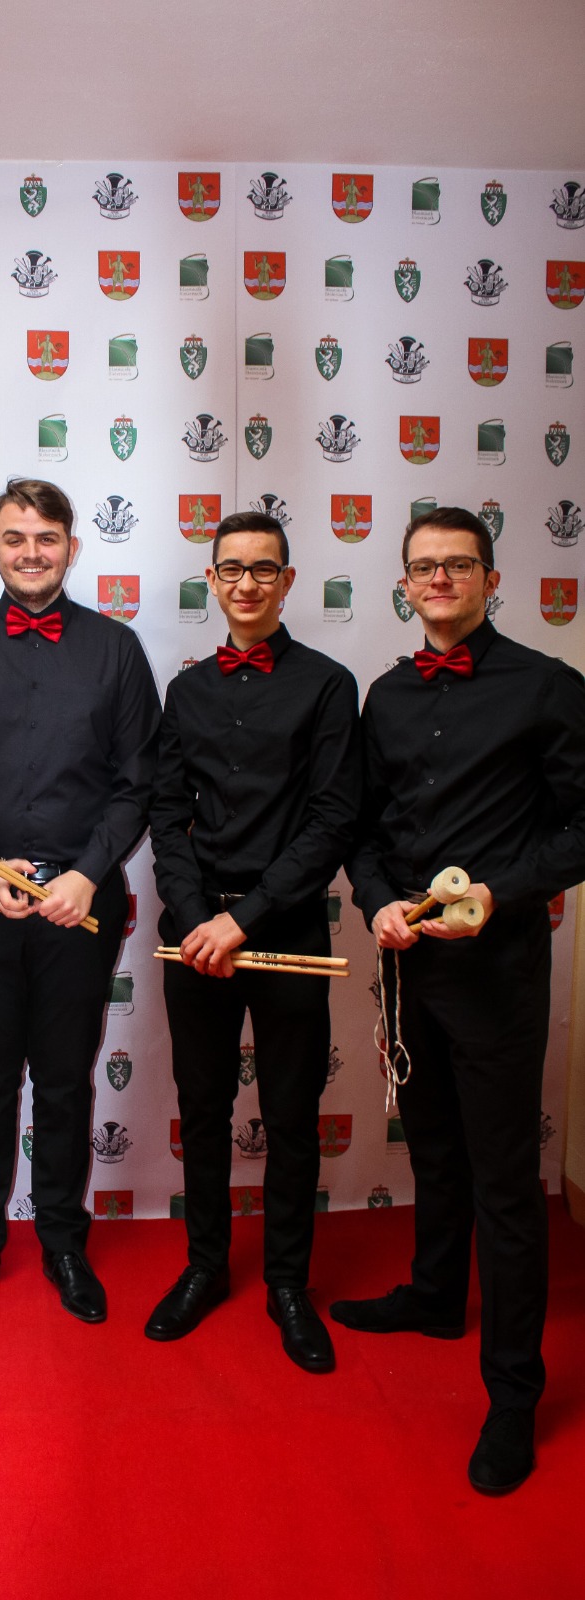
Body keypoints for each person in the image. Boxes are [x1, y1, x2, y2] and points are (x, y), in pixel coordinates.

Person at [335, 505, 585, 1494]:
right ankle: (437, 1296)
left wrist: (499, 892)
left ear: (491, 578)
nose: (439, 579)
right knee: (432, 1149)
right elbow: (362, 830)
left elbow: (580, 825)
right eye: (423, 566)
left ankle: (513, 1394)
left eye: (457, 564)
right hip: (410, 967)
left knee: (504, 1184)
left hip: (498, 972)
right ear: (405, 585)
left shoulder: (547, 686)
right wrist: (376, 902)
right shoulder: (386, 695)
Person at [0, 478, 160, 1327]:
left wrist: (86, 872)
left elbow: (137, 783)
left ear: (72, 548)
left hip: (80, 903)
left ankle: (62, 1242)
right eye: (15, 538)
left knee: (65, 1080)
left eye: (47, 537)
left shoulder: (117, 650)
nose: (31, 552)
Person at [146, 511, 360, 1371]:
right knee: (202, 1109)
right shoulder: (186, 692)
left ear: (287, 581)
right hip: (195, 932)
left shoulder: (329, 685)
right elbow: (167, 816)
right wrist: (198, 915)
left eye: (262, 569)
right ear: (212, 578)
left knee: (291, 1115)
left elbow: (332, 818)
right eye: (230, 569)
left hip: (288, 928)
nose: (245, 584)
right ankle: (204, 1267)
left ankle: (286, 1284)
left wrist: (246, 918)